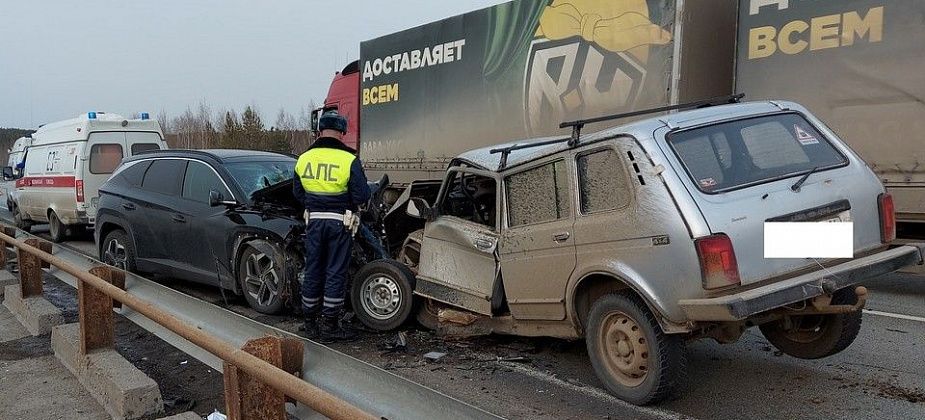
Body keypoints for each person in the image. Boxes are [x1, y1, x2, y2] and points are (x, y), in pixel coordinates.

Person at [293, 111, 370, 341]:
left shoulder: (304, 158)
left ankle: (309, 322)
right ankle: (330, 325)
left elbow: (297, 193)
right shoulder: (348, 159)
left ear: (319, 131)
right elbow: (361, 195)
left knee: (313, 269)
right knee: (335, 271)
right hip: (339, 223)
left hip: (314, 222)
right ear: (342, 132)